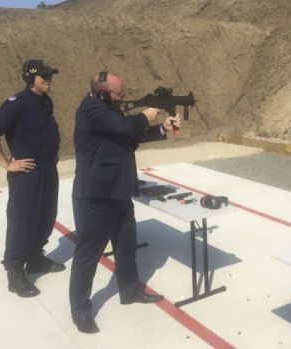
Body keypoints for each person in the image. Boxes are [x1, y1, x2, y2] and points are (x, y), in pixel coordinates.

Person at [69, 71, 180, 334]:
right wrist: (145, 115)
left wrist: (163, 127)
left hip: (118, 191)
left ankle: (129, 290)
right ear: (102, 93)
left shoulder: (110, 110)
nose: (123, 97)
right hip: (97, 196)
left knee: (126, 246)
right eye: (119, 93)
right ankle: (80, 311)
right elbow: (126, 127)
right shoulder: (91, 110)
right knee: (88, 256)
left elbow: (131, 136)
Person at [0, 59, 65, 298]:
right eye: (43, 76)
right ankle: (15, 271)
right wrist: (8, 164)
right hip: (26, 172)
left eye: (50, 75)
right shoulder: (16, 104)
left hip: (48, 169)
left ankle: (35, 258)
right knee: (23, 219)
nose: (48, 79)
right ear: (30, 78)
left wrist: (53, 154)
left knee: (46, 215)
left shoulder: (45, 101)